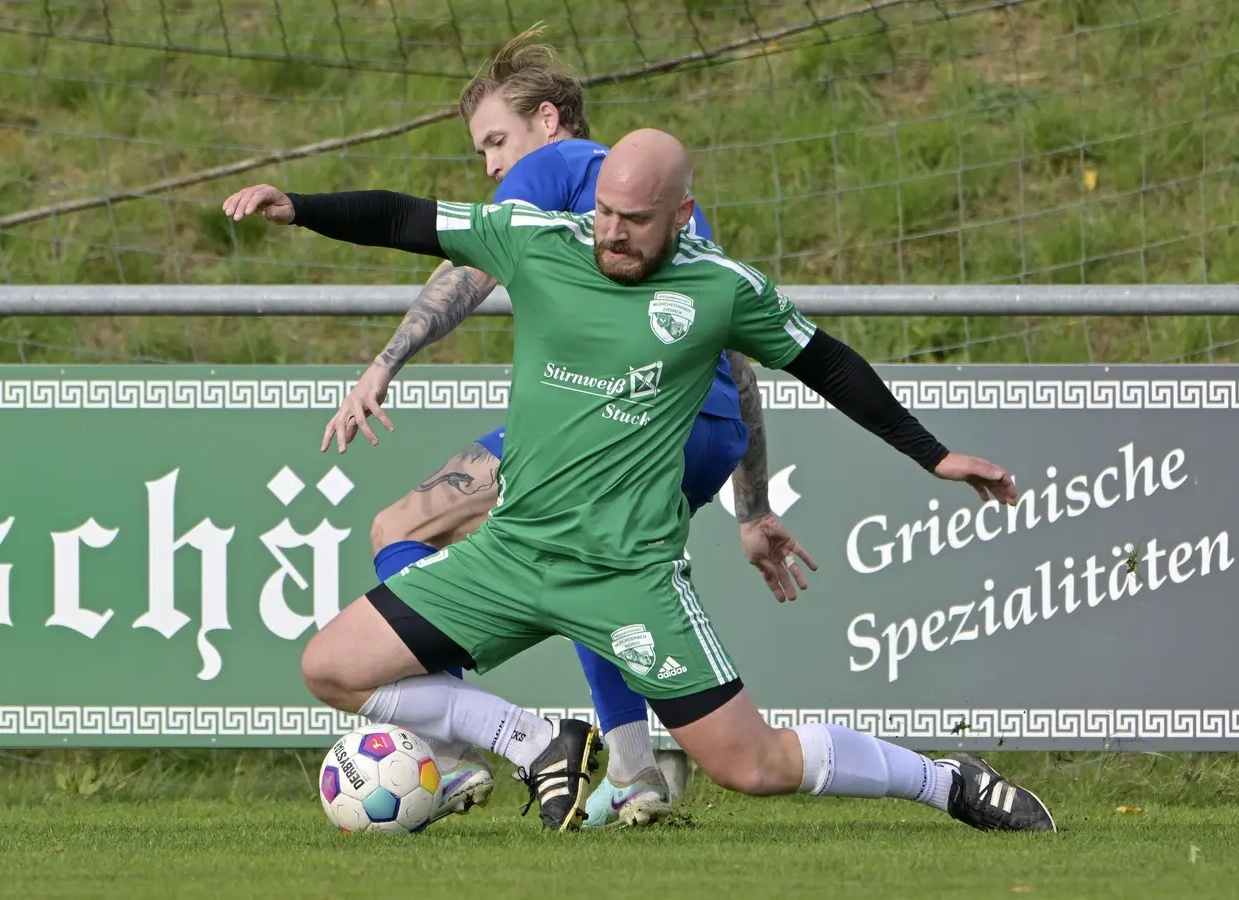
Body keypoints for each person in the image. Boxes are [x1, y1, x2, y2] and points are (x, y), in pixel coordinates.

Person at [222, 128, 1057, 836]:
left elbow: (828, 363)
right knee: (332, 667)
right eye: (606, 214)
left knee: (754, 766)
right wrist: (300, 206)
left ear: (682, 216)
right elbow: (407, 218)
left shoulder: (720, 289)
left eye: (636, 221)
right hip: (511, 555)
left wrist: (932, 455)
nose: (613, 235)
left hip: (628, 578)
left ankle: (946, 781)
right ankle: (533, 740)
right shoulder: (537, 240)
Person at [226, 28, 813, 830]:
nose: (491, 166)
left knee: (403, 527)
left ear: (547, 120)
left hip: (617, 428)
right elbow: (736, 359)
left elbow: (467, 267)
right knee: (590, 571)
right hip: (702, 436)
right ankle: (630, 770)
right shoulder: (654, 209)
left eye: (495, 141)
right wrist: (752, 504)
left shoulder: (564, 171)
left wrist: (384, 363)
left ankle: (476, 742)